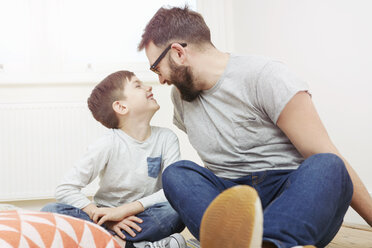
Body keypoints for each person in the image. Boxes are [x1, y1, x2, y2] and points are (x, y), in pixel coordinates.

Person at [137, 6, 372, 248]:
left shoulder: (265, 75)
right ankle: (253, 243)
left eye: (156, 68)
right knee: (177, 173)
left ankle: (270, 241)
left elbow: (325, 153)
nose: (161, 80)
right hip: (233, 202)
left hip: (293, 202)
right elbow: (215, 165)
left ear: (177, 53)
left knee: (328, 164)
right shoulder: (181, 99)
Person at [42, 70, 186, 248]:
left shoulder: (166, 138)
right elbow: (65, 189)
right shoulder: (107, 143)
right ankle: (132, 245)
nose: (149, 87)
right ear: (121, 107)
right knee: (50, 211)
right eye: (138, 85)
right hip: (104, 217)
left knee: (177, 209)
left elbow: (171, 190)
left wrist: (123, 211)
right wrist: (105, 216)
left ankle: (107, 242)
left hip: (143, 215)